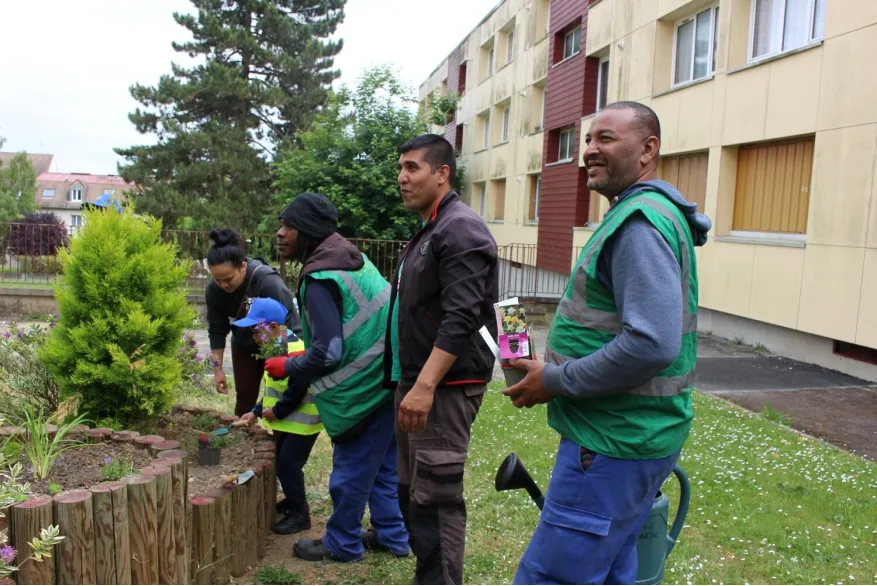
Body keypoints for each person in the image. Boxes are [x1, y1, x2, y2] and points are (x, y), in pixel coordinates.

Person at [503, 101, 712, 585]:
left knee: (553, 578)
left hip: (612, 447)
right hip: (631, 440)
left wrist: (553, 379)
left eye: (606, 139)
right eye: (588, 140)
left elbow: (651, 344)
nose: (589, 151)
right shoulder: (648, 214)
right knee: (616, 571)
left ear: (648, 150)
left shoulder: (639, 224)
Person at [265, 192, 409, 562]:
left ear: (308, 230)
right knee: (382, 471)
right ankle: (393, 536)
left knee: (350, 475)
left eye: (289, 226)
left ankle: (342, 543)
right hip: (388, 382)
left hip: (361, 394)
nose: (280, 233)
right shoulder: (353, 261)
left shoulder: (320, 278)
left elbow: (328, 351)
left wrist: (288, 365)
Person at [385, 134, 498, 585]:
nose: (402, 178)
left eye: (412, 168)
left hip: (444, 388)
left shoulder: (460, 228)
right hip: (416, 384)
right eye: (401, 168)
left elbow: (462, 317)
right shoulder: (431, 228)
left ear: (442, 174)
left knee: (437, 498)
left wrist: (426, 386)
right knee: (412, 494)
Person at [234, 297, 323, 535]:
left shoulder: (296, 350)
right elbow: (275, 390)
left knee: (289, 465)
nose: (253, 337)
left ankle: (300, 515)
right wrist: (255, 411)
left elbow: (298, 388)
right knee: (284, 464)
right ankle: (294, 501)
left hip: (302, 423)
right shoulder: (277, 349)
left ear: (273, 327)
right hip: (288, 422)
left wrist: (278, 411)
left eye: (256, 330)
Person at [205, 228, 302, 416]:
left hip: (281, 342)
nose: (224, 285)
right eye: (218, 280)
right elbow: (216, 330)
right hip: (244, 343)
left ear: (242, 267)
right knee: (245, 396)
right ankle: (244, 438)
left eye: (228, 279)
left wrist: (281, 360)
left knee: (277, 394)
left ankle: (278, 439)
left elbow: (285, 327)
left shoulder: (267, 282)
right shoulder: (214, 289)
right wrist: (217, 370)